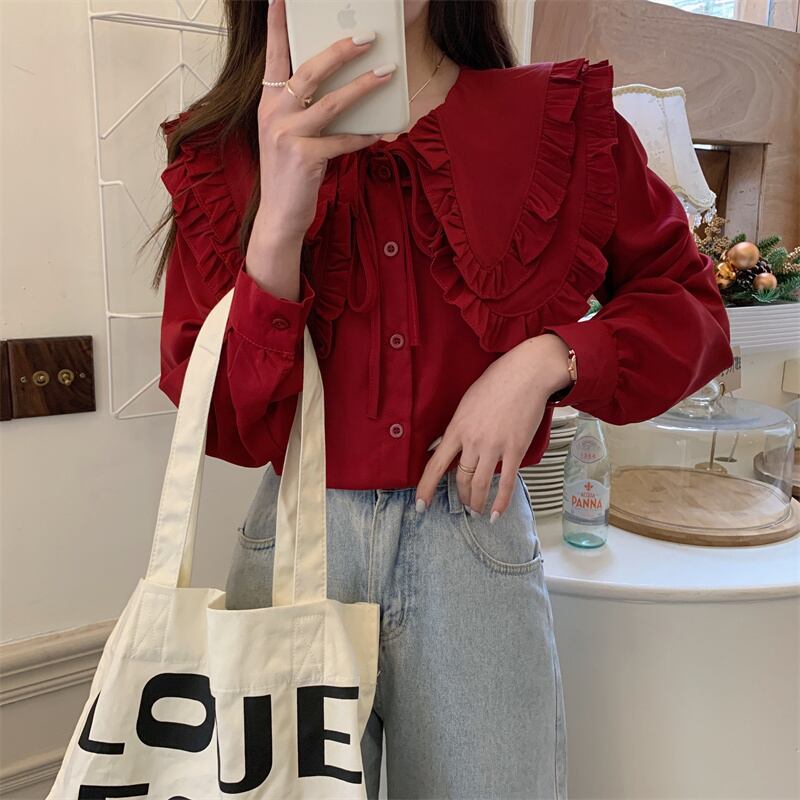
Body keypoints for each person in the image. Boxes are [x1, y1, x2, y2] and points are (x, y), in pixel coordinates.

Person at [149, 1, 734, 796]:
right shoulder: (224, 152)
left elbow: (692, 308)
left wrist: (546, 359)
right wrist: (278, 226)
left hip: (476, 544)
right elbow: (223, 422)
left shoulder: (556, 121)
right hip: (293, 549)